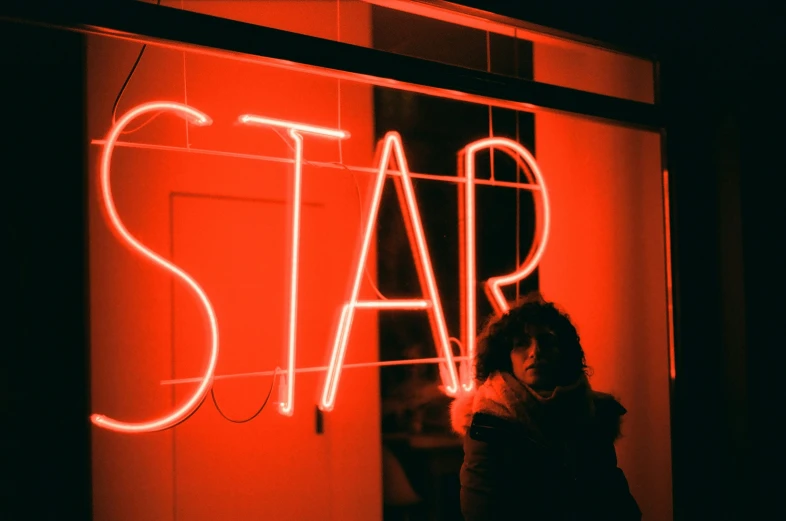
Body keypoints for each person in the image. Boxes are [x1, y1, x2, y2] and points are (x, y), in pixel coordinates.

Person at [450, 294, 642, 521]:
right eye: (521, 343)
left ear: (563, 352)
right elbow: (481, 511)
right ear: (505, 356)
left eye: (546, 341)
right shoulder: (489, 422)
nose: (535, 351)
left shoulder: (591, 413)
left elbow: (616, 501)